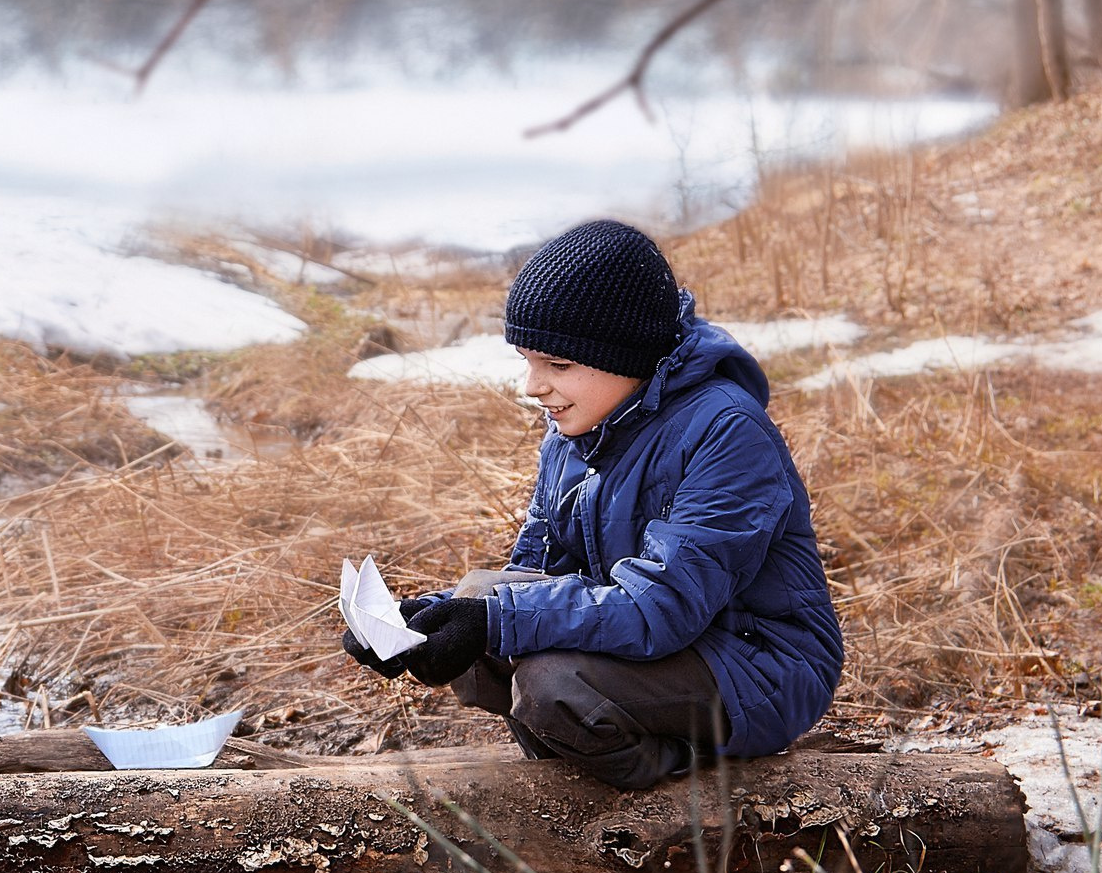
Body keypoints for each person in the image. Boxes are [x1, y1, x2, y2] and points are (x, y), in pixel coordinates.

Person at [347, 219, 842, 789]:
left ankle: (676, 774)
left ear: (624, 355)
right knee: (480, 597)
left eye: (558, 365)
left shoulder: (726, 430)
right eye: (528, 360)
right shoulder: (576, 431)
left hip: (758, 666)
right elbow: (533, 576)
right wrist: (422, 622)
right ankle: (576, 771)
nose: (533, 386)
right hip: (667, 642)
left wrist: (490, 623)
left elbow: (664, 605)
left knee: (551, 682)